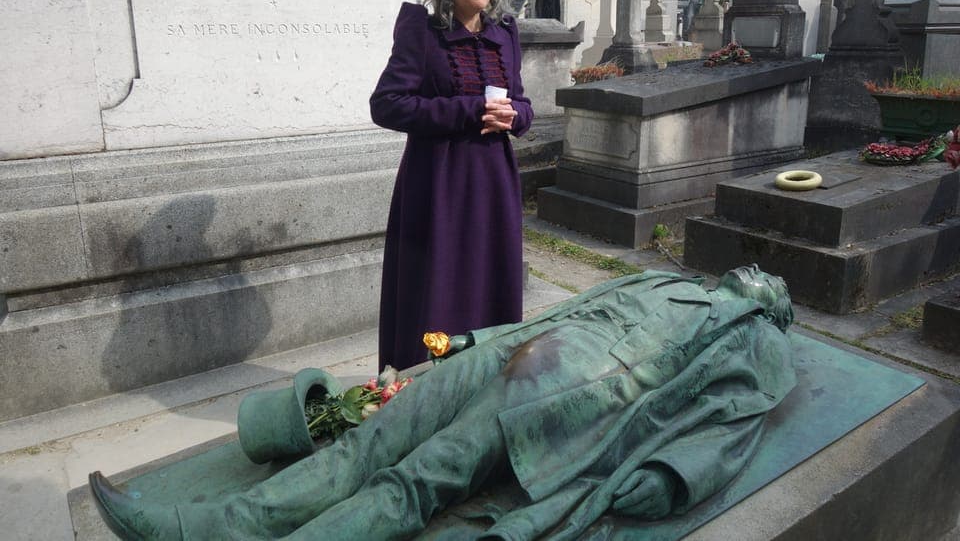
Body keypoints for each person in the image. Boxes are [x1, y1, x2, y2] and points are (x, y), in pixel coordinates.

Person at [88, 265, 797, 540]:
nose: (759, 272)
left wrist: (676, 474)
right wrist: (474, 338)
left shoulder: (752, 339)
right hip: (510, 355)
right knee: (365, 443)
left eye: (770, 280)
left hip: (567, 397)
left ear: (771, 307)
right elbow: (564, 310)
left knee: (412, 484)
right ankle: (201, 527)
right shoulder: (662, 278)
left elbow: (735, 420)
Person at [369, 0, 534, 371]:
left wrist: (515, 115)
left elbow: (522, 103)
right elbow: (387, 104)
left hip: (493, 181)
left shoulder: (505, 33)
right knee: (438, 285)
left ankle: (483, 375)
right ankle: (425, 381)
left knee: (489, 277)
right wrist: (467, 110)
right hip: (437, 181)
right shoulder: (423, 32)